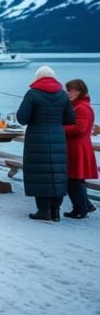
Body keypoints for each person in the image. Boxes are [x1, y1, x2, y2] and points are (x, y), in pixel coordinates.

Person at [16, 66, 76, 222]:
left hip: (37, 140)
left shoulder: (32, 94)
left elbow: (22, 118)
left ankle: (43, 211)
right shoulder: (63, 95)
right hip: (57, 138)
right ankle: (55, 211)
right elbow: (70, 119)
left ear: (37, 77)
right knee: (57, 173)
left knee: (39, 174)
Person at [64, 79, 98, 218]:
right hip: (78, 146)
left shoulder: (82, 108)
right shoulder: (78, 106)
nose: (67, 93)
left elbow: (80, 128)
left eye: (70, 90)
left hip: (77, 147)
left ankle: (80, 210)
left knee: (74, 179)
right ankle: (86, 205)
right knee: (76, 179)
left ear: (78, 91)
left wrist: (60, 129)